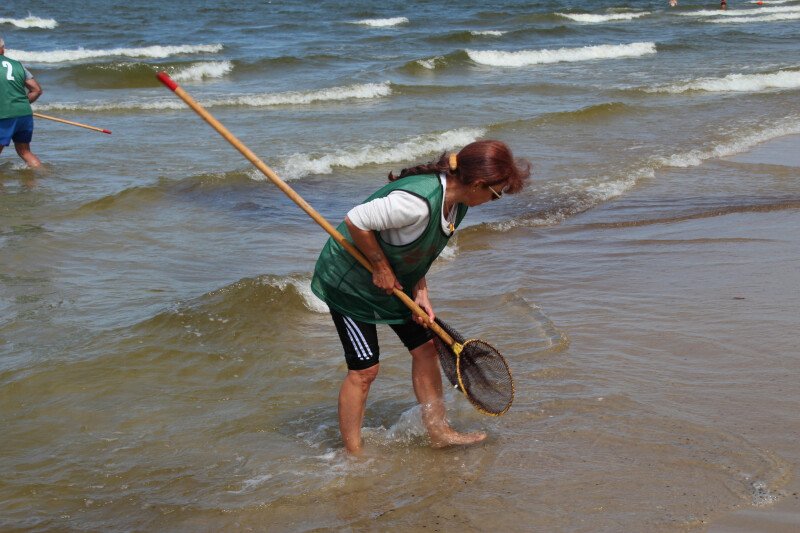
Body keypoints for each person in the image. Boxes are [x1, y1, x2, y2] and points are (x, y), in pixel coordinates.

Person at [311, 140, 531, 454]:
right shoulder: (415, 202)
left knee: (427, 348)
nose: (494, 200)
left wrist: (421, 291)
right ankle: (353, 455)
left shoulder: (458, 203)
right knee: (364, 370)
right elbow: (356, 220)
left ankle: (439, 432)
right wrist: (379, 266)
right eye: (495, 193)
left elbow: (418, 247)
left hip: (394, 280)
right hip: (350, 282)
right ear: (478, 183)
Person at [0, 35, 42, 168]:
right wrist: (21, 104)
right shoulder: (17, 65)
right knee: (25, 152)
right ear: (2, 49)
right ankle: (43, 176)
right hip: (24, 114)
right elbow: (36, 90)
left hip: (4, 116)